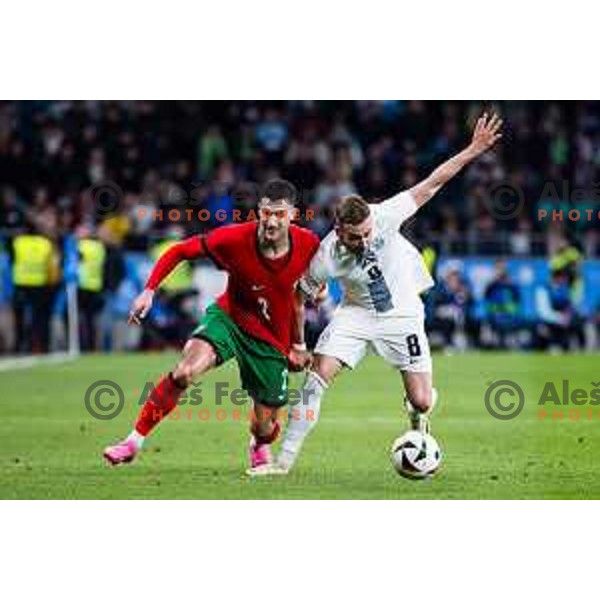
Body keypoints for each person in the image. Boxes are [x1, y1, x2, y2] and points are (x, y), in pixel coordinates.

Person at [249, 112, 503, 476]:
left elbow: (433, 183)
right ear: (339, 229)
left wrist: (473, 149)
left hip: (402, 313)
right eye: (356, 236)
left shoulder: (385, 214)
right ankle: (284, 462)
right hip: (355, 315)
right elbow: (299, 297)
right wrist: (299, 343)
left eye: (368, 232)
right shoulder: (327, 254)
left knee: (422, 399)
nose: (365, 240)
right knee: (316, 378)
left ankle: (418, 417)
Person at [103, 179, 320, 470]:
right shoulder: (233, 239)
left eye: (279, 214)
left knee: (264, 428)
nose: (271, 221)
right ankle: (132, 442)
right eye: (266, 213)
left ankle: (257, 442)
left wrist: (300, 339)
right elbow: (180, 251)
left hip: (271, 339)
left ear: (293, 215)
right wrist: (149, 290)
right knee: (184, 372)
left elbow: (315, 287)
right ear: (258, 211)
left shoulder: (309, 244)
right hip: (230, 318)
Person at [483, 260, 521, 349]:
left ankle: (510, 340)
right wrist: (495, 280)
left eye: (503, 268)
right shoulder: (491, 285)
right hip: (495, 316)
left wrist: (508, 282)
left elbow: (517, 301)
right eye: (499, 268)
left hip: (509, 316)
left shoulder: (512, 285)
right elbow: (486, 298)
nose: (501, 271)